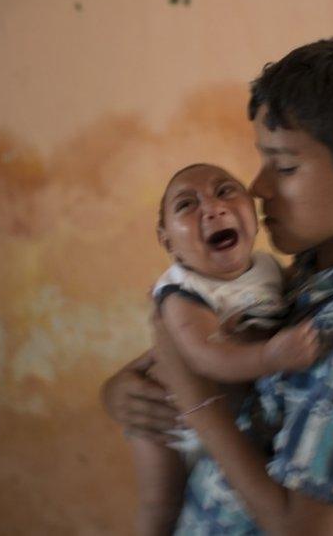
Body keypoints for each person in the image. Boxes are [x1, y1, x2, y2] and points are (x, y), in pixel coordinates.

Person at [103, 26, 333, 535]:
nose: (256, 188)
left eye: (284, 165)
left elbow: (298, 529)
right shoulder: (310, 275)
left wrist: (198, 404)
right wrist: (128, 390)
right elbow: (225, 359)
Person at [128, 162, 320, 535]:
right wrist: (270, 356)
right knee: (161, 505)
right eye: (187, 204)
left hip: (224, 419)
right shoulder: (182, 291)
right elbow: (205, 354)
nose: (213, 208)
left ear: (252, 209)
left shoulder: (268, 268)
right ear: (167, 240)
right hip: (169, 422)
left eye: (226, 191)